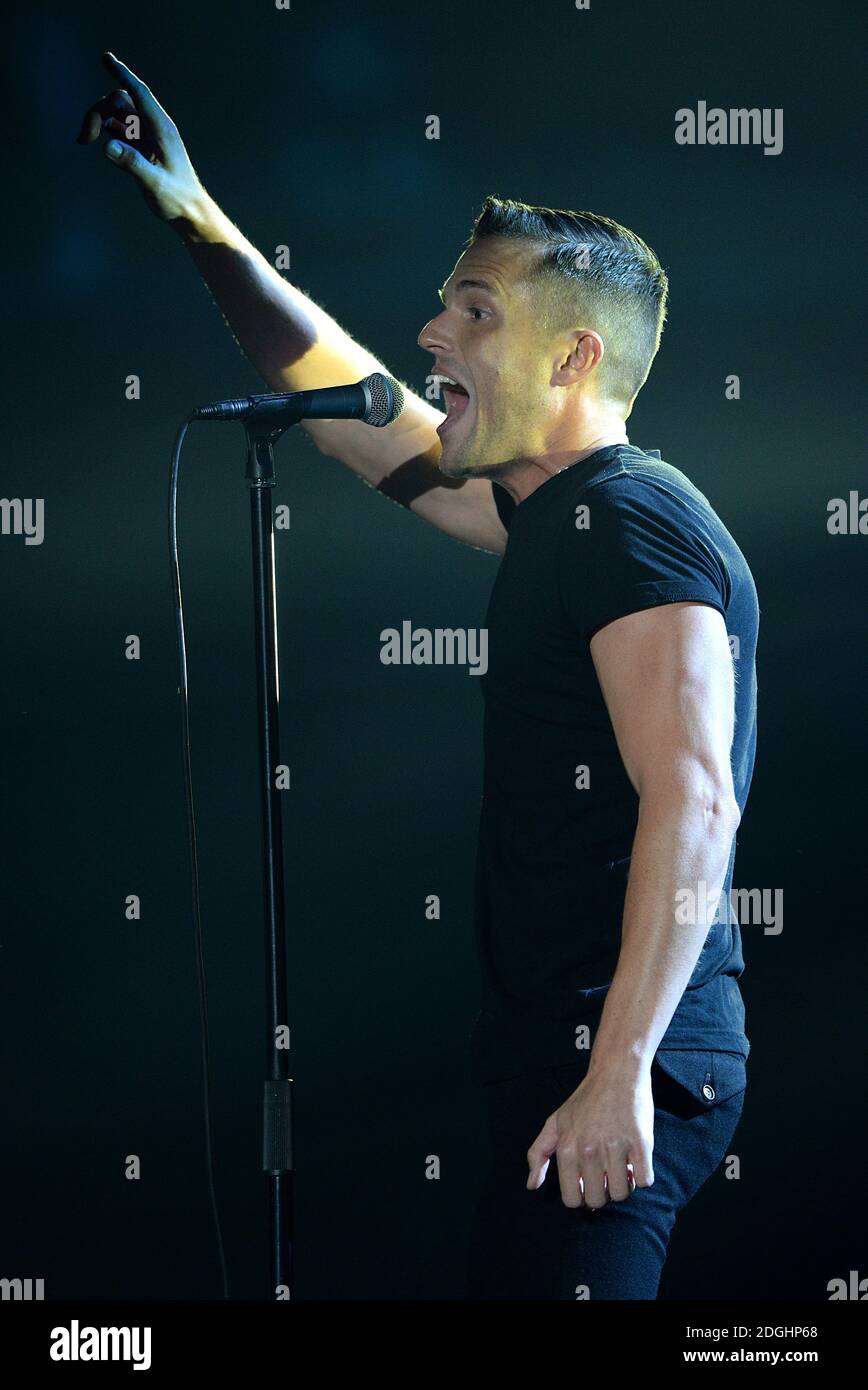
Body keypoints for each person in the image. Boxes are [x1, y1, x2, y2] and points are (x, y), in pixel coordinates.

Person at [77, 53, 759, 1300]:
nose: (434, 330)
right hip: (563, 1058)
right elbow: (351, 409)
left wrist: (614, 1073)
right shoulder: (556, 517)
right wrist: (197, 218)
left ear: (572, 359)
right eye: (444, 305)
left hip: (626, 1058)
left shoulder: (636, 520)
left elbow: (698, 799)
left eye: (478, 312)